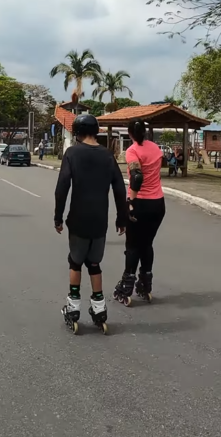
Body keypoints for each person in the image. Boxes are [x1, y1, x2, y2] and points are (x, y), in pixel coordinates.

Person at [54, 114, 128, 334]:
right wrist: (121, 217)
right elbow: (119, 188)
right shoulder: (107, 155)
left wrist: (58, 217)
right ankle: (99, 309)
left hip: (78, 219)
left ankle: (73, 307)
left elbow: (62, 188)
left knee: (75, 262)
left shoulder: (72, 153)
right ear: (96, 131)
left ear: (77, 132)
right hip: (100, 220)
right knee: (94, 264)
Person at [112, 119, 166, 306]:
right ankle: (145, 283)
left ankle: (127, 286)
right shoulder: (156, 148)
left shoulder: (132, 151)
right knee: (147, 244)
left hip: (141, 203)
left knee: (133, 245)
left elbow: (136, 177)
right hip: (158, 203)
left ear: (130, 133)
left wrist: (130, 200)